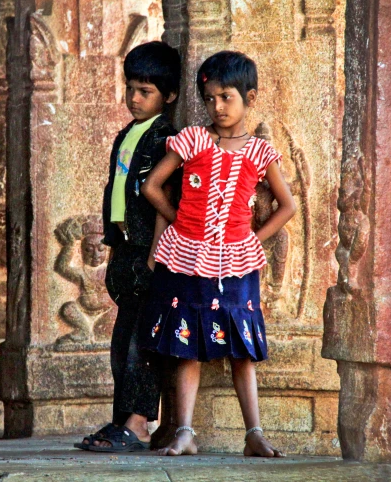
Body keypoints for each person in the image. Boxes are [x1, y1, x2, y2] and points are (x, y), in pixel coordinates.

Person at [140, 51, 296, 457]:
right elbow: (152, 187)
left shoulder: (260, 152)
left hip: (238, 262)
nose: (217, 107)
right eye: (209, 98)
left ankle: (254, 434)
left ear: (250, 97)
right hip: (186, 258)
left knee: (242, 348)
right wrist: (181, 223)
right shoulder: (192, 140)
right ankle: (186, 432)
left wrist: (252, 240)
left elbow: (288, 206)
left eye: (226, 97)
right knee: (186, 343)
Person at [74, 40, 182, 453]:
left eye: (145, 91)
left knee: (142, 342)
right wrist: (114, 248)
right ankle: (122, 419)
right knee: (122, 343)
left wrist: (155, 254)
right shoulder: (128, 134)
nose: (134, 98)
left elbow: (165, 200)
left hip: (150, 254)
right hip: (125, 250)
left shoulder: (166, 138)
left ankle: (138, 423)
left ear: (168, 96)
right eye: (130, 88)